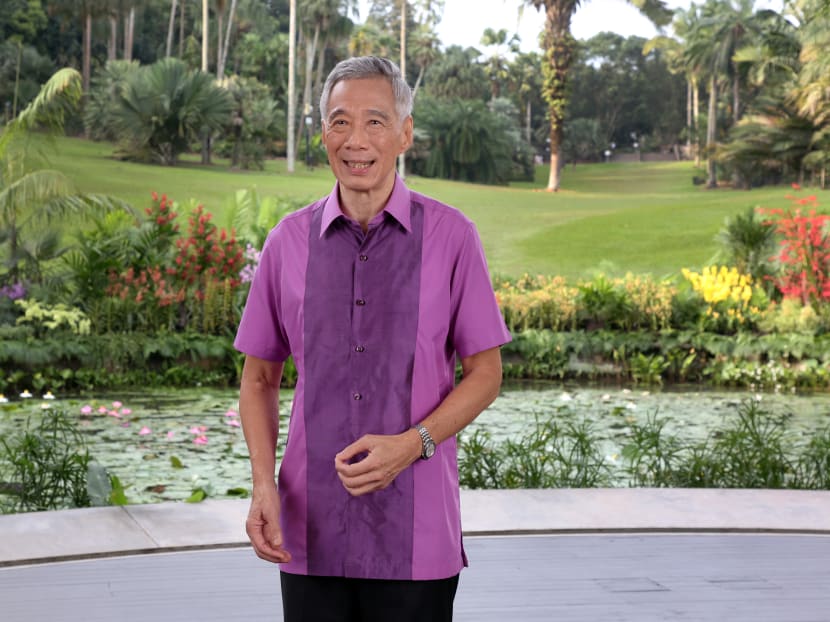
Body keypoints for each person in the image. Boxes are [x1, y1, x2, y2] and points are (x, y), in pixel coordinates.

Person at [234, 55, 511, 622]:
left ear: (405, 134)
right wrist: (263, 485)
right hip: (308, 531)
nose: (355, 140)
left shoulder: (453, 237)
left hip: (418, 537)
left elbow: (486, 373)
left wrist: (413, 444)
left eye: (375, 122)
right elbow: (259, 379)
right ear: (323, 134)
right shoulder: (287, 243)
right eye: (340, 121)